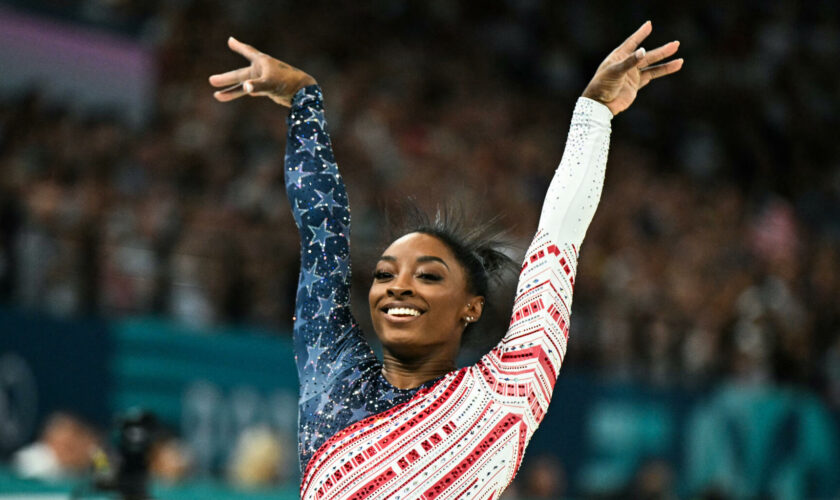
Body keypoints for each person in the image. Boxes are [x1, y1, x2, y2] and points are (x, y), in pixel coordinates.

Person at [210, 21, 682, 499]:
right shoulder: (331, 367)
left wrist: (593, 115)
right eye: (385, 274)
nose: (398, 285)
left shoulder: (503, 395)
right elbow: (322, 232)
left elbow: (559, 237)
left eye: (429, 276)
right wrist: (303, 97)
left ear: (471, 307)